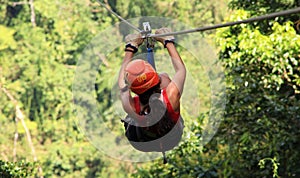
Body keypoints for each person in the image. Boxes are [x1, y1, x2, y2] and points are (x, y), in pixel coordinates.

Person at [118, 28, 186, 153]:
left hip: (143, 142)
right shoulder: (171, 96)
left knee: (164, 78)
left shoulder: (132, 107)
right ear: (157, 81)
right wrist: (167, 41)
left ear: (134, 90)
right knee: (165, 76)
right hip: (171, 138)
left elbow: (122, 83)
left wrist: (131, 46)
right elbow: (180, 70)